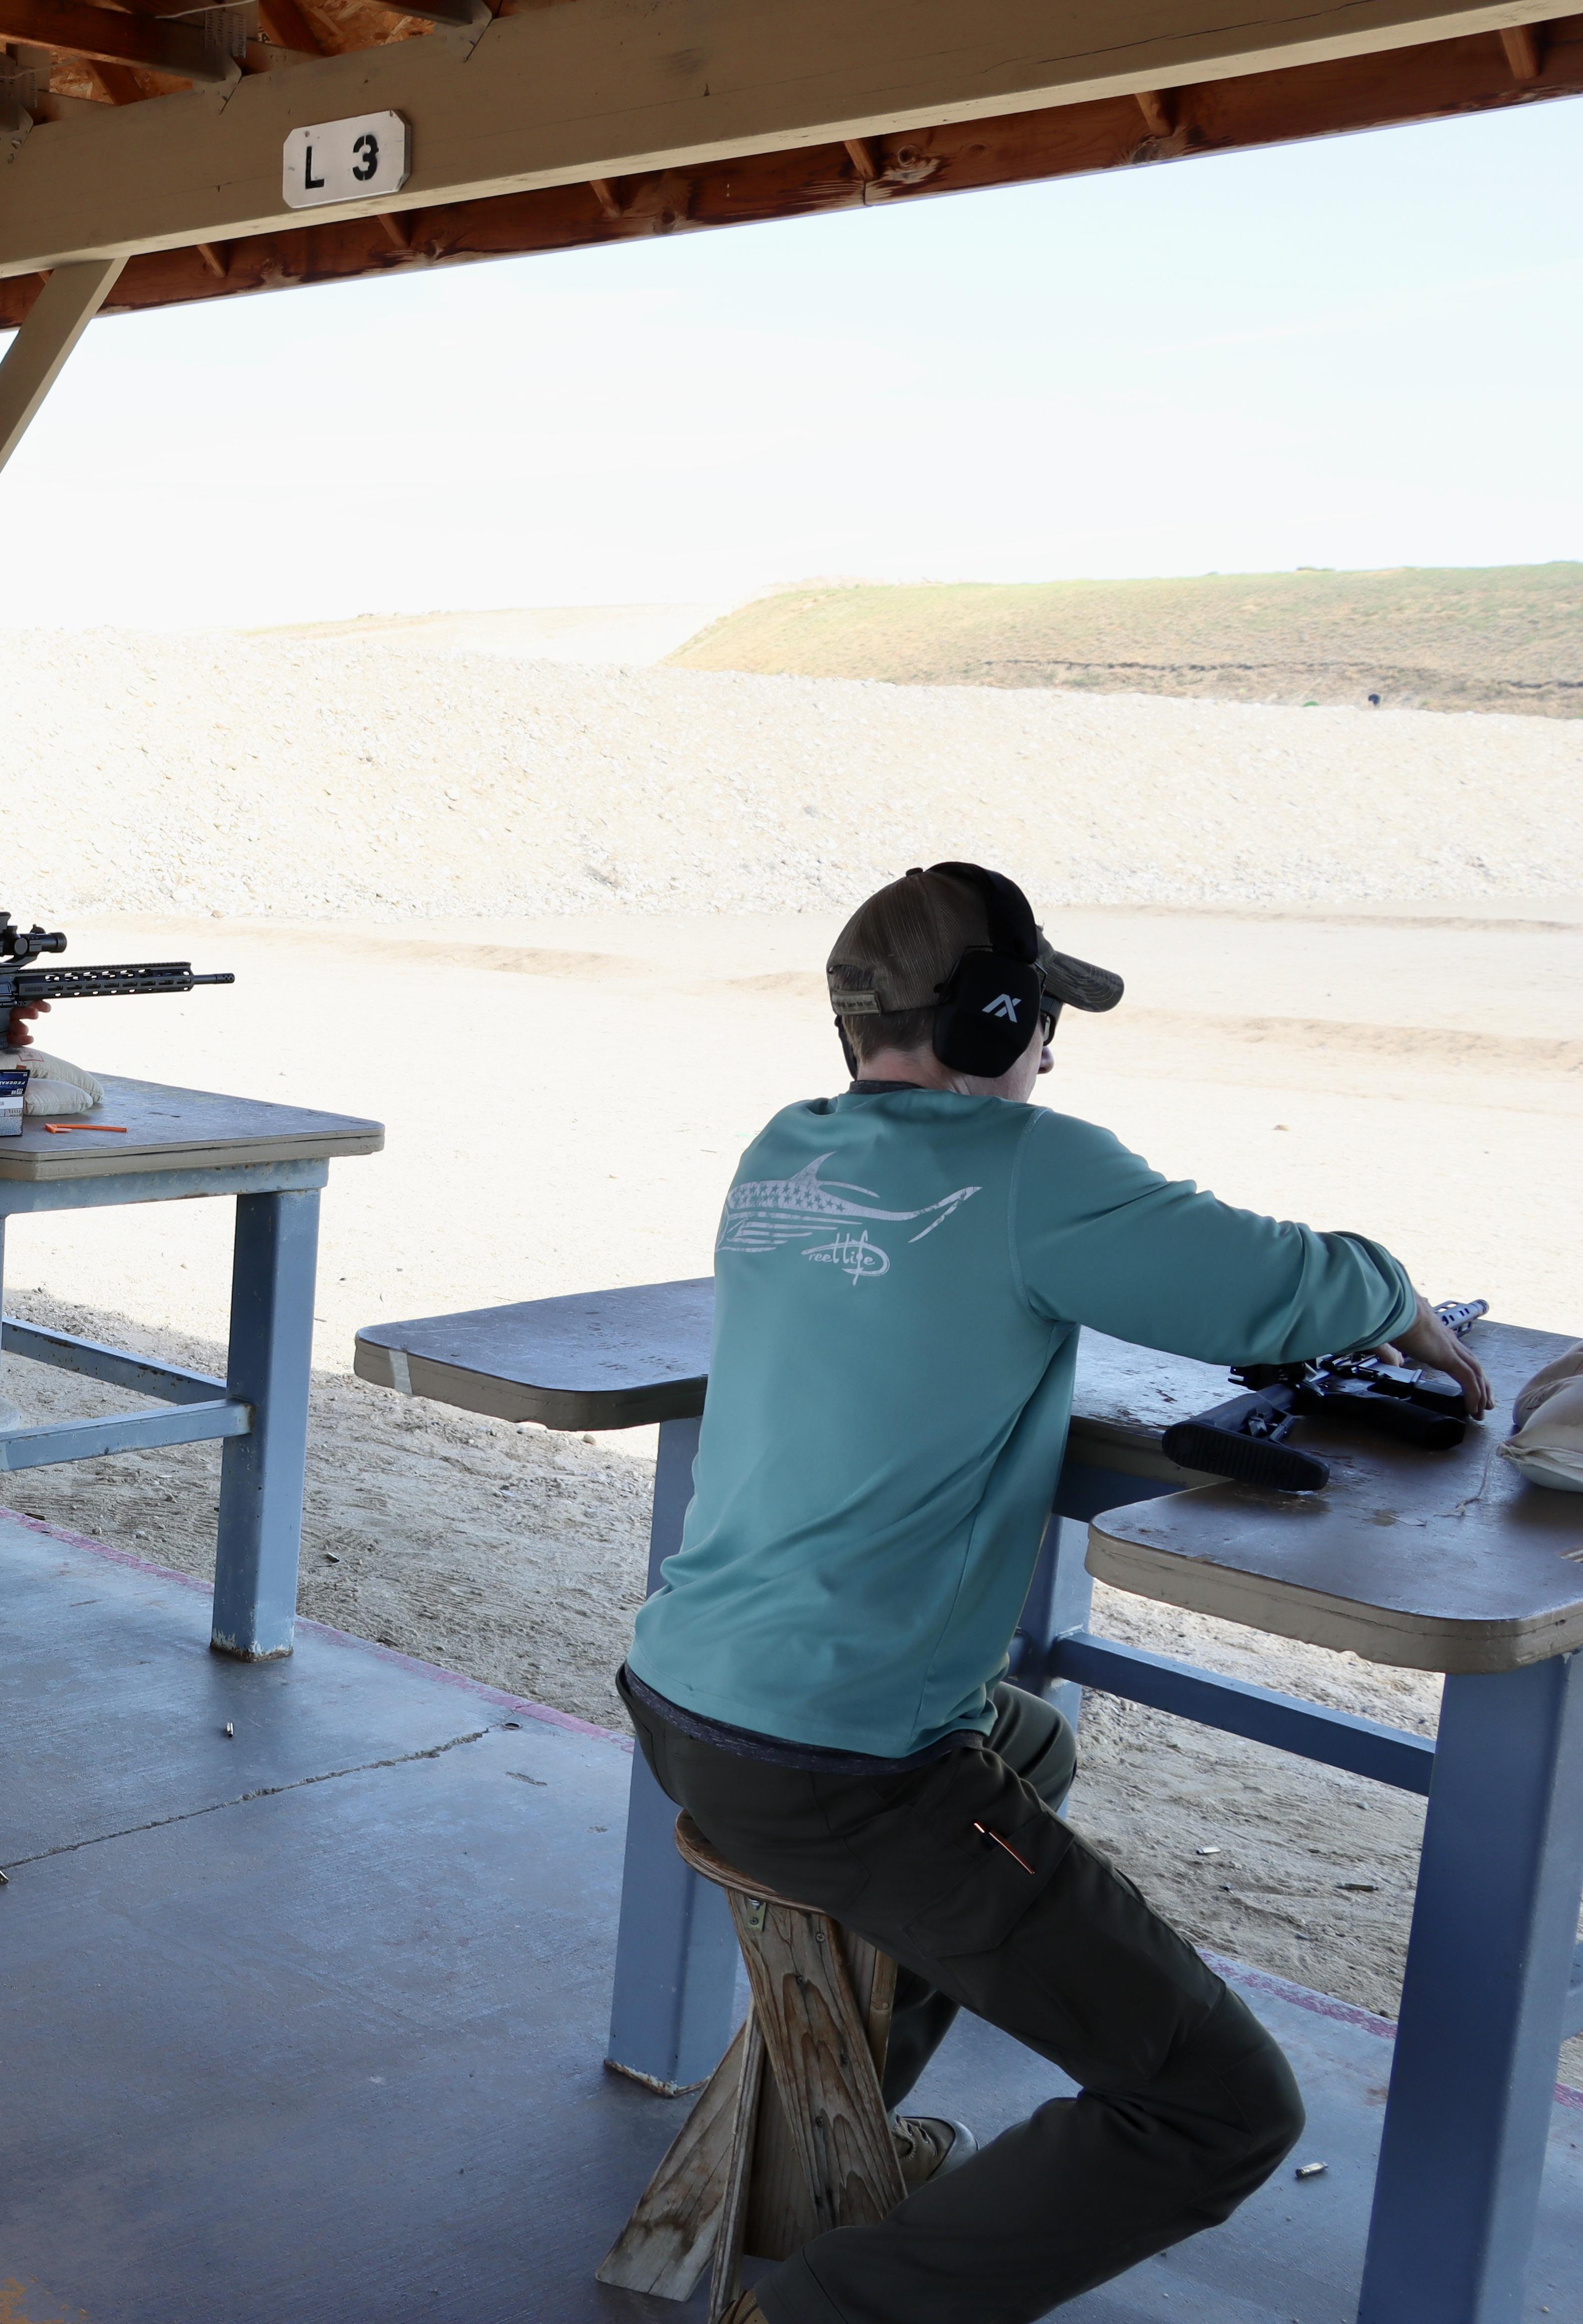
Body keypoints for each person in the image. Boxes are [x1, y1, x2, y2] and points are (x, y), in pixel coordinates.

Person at [619, 863, 1492, 2324]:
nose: (1047, 1052)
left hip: (684, 1694)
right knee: (1214, 2103)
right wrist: (1391, 1291)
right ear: (994, 1018)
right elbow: (1271, 1283)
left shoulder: (783, 1151)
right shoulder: (1028, 1167)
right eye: (1037, 1023)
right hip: (841, 1765)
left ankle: (818, 2128)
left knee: (1022, 1742)